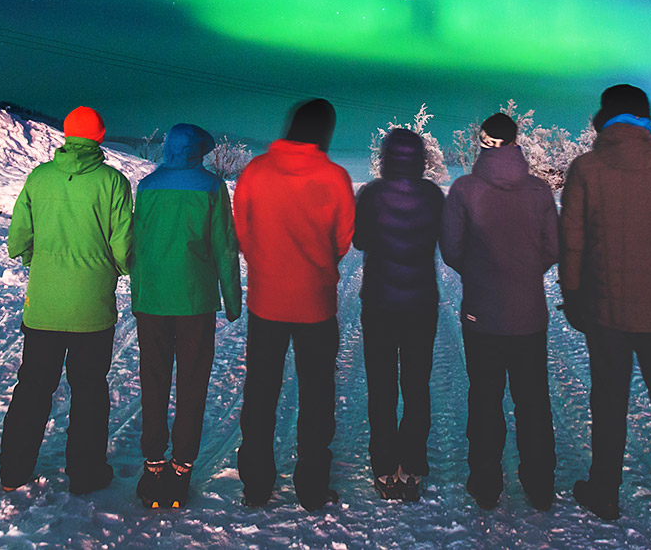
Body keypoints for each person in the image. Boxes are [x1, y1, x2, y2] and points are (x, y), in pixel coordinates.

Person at [559, 84, 651, 524]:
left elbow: (572, 242)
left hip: (607, 315)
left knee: (607, 404)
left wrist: (573, 296)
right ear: (644, 119)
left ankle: (604, 491)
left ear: (606, 118)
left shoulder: (585, 169)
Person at [0, 106, 133, 494]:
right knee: (90, 389)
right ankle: (85, 473)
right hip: (92, 309)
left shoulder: (39, 177)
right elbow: (124, 245)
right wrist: (115, 270)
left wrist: (37, 262)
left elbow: (18, 238)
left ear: (65, 134)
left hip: (43, 306)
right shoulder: (113, 181)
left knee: (33, 387)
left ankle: (13, 471)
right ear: (100, 136)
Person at [234, 98, 355, 511]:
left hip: (266, 302)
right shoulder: (336, 177)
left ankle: (255, 484)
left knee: (261, 391)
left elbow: (243, 230)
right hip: (316, 305)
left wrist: (265, 264)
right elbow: (342, 239)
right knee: (317, 395)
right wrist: (318, 266)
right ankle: (312, 488)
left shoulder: (255, 170)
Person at [440, 112, 560, 511]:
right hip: (529, 316)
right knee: (533, 402)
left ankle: (486, 483)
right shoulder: (540, 191)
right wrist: (526, 271)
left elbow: (452, 250)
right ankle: (540, 485)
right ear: (515, 142)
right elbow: (552, 247)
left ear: (482, 142)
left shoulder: (463, 189)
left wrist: (480, 272)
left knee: (485, 399)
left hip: (482, 316)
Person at [129, 123, 242, 509]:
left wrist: (139, 294)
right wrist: (232, 299)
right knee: (193, 384)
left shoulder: (146, 187)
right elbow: (225, 247)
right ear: (199, 152)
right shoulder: (211, 188)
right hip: (195, 304)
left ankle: (153, 467)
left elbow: (138, 246)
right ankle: (181, 470)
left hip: (154, 303)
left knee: (153, 381)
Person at [354, 127, 446, 501]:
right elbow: (444, 238)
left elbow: (359, 240)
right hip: (421, 303)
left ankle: (384, 469)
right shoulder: (433, 194)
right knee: (417, 385)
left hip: (378, 302)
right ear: (422, 158)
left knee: (381, 387)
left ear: (386, 155)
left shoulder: (371, 193)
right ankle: (413, 468)